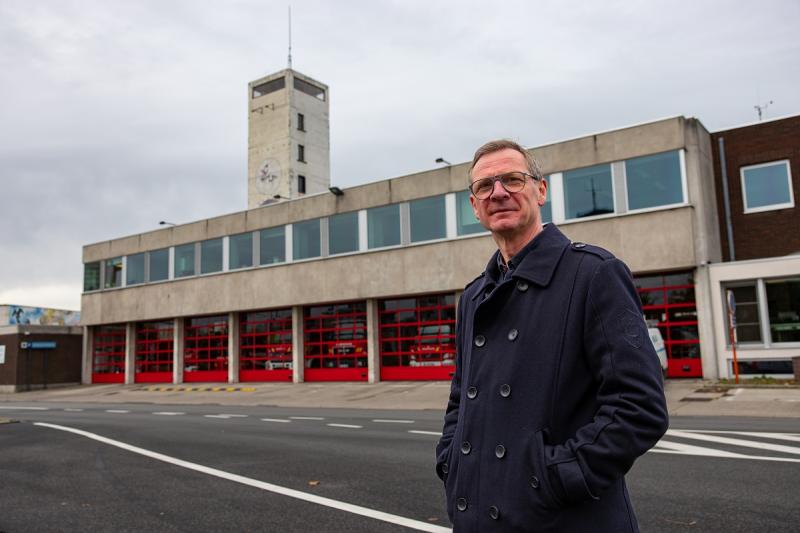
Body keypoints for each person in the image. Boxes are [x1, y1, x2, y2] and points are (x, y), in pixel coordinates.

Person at [435, 139, 668, 532]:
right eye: (485, 186)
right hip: (477, 514)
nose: (499, 193)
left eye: (512, 179)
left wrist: (556, 477)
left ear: (540, 190)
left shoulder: (594, 274)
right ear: (474, 206)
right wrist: (451, 460)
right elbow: (462, 395)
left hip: (564, 518)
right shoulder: (474, 296)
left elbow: (640, 406)